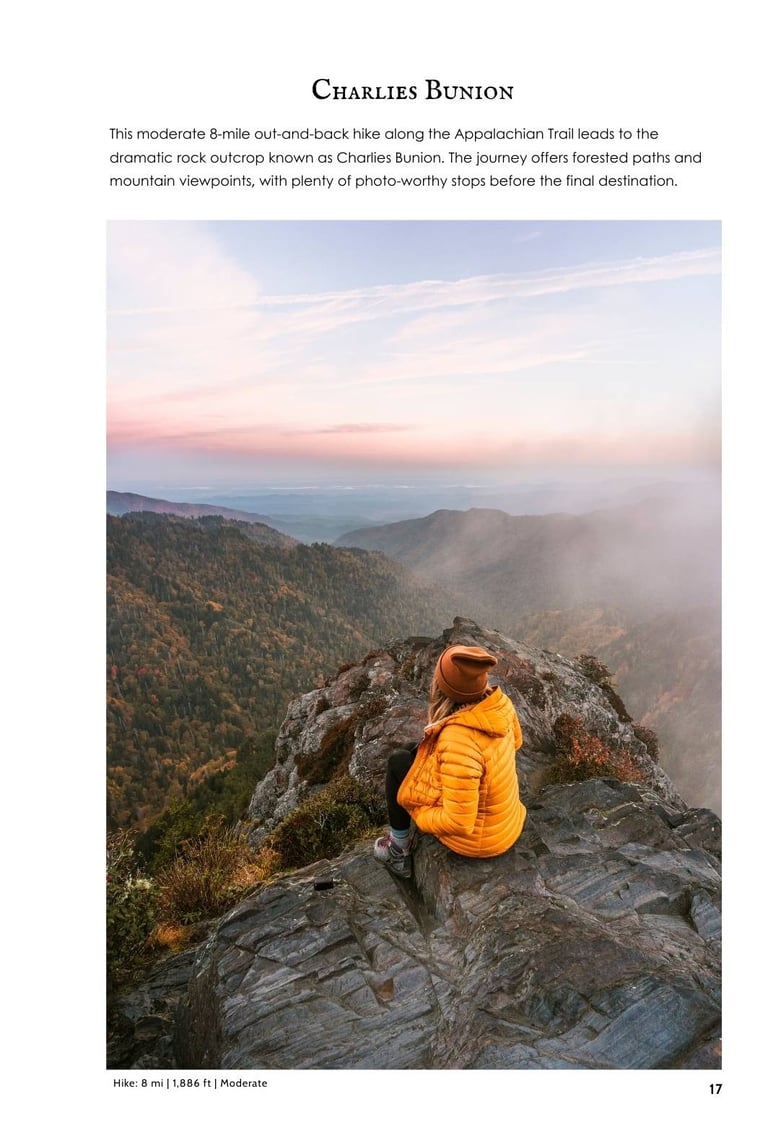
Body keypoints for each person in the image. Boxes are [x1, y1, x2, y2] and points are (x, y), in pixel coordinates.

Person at [373, 644, 526, 878]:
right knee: (408, 752)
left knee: (397, 763)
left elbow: (459, 822)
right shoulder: (499, 703)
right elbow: (515, 743)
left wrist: (420, 814)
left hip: (480, 841)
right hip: (505, 820)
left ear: (444, 687)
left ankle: (399, 849)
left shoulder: (458, 738)